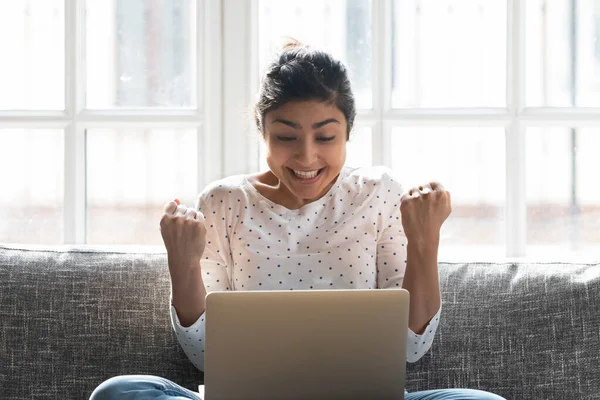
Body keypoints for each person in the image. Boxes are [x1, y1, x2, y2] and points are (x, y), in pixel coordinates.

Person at [90, 40, 505, 400]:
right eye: (286, 137)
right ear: (262, 131)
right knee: (122, 393)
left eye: (325, 137)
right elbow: (203, 356)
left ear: (348, 133)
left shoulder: (380, 194)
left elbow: (412, 347)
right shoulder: (223, 202)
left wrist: (425, 239)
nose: (306, 158)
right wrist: (181, 263)